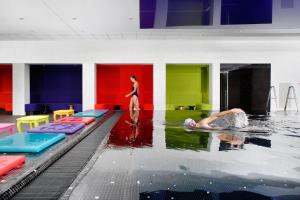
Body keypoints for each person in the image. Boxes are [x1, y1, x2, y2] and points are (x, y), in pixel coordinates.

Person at [184, 108, 248, 130]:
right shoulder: (201, 123)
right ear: (190, 127)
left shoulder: (202, 124)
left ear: (193, 120)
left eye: (191, 123)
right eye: (190, 124)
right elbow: (215, 116)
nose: (192, 124)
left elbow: (216, 115)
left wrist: (230, 111)